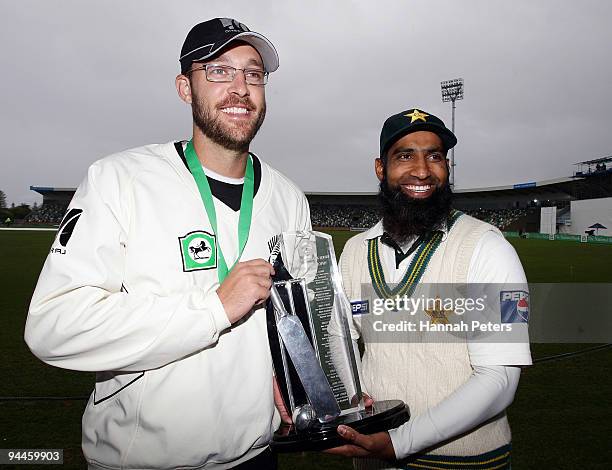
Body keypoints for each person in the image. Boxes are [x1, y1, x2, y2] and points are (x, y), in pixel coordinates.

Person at [25, 18, 310, 470]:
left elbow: (291, 317)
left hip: (257, 457)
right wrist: (213, 309)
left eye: (253, 74)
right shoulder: (119, 179)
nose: (240, 87)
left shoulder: (290, 199)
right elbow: (53, 326)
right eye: (219, 70)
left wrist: (293, 378)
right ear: (184, 87)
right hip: (142, 462)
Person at [328, 109, 532, 469]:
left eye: (434, 156)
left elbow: (499, 379)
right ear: (380, 168)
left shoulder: (487, 247)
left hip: (464, 462)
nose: (422, 171)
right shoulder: (356, 251)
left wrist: (399, 442)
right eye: (405, 155)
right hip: (373, 458)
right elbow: (337, 342)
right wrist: (345, 396)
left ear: (447, 167)